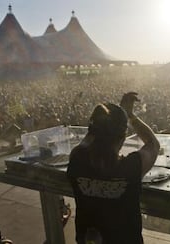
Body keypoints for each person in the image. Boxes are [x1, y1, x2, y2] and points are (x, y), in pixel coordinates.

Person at [67, 92, 160, 244]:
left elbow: (87, 141)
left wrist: (97, 124)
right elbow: (153, 144)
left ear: (92, 132)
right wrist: (130, 115)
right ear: (123, 137)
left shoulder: (76, 158)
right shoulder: (131, 166)